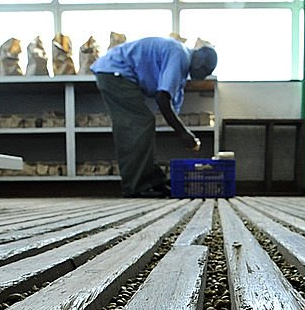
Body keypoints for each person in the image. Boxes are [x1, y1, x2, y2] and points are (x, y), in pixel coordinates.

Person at [91, 37, 217, 198]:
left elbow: (168, 100)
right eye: (204, 70)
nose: (203, 75)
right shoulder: (180, 56)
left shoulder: (181, 58)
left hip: (115, 72)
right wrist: (183, 133)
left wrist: (181, 130)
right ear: (199, 59)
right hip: (114, 73)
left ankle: (153, 180)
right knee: (138, 124)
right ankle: (136, 186)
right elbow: (162, 99)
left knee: (140, 123)